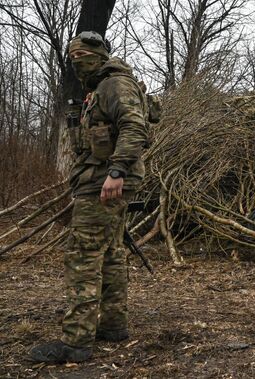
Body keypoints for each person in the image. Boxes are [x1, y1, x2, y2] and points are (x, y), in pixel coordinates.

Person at [29, 31, 149, 363]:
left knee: (83, 257)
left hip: (104, 182)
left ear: (97, 56)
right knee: (110, 252)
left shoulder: (114, 85)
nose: (76, 64)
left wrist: (116, 172)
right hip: (101, 180)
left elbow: (135, 128)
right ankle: (112, 326)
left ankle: (75, 342)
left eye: (81, 58)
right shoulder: (100, 88)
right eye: (72, 59)